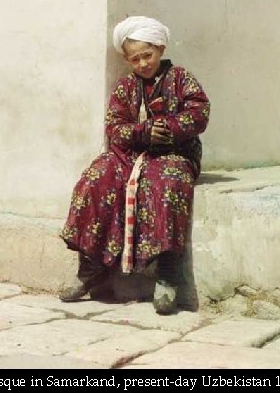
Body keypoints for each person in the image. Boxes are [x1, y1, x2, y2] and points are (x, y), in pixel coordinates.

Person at [59, 16, 210, 314]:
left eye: (147, 55)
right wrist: (141, 132)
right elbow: (114, 126)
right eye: (135, 58)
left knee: (167, 184)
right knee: (95, 178)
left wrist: (167, 128)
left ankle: (167, 277)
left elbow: (199, 111)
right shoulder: (126, 86)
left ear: (160, 48)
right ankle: (89, 270)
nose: (142, 63)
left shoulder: (181, 78)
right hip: (129, 154)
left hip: (173, 153)